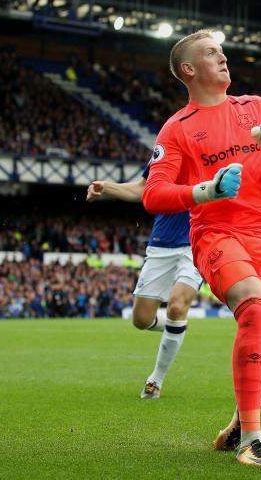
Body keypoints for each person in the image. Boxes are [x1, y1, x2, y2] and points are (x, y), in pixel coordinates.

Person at [142, 29, 261, 468]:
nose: (223, 57)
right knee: (255, 308)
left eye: (222, 51)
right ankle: (253, 439)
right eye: (212, 53)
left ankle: (239, 420)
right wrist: (205, 190)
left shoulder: (255, 107)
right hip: (216, 233)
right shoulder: (177, 128)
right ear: (189, 69)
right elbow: (153, 193)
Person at [86, 171, 197, 400]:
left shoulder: (214, 149)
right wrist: (106, 187)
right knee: (141, 320)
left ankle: (155, 380)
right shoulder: (166, 151)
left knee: (177, 306)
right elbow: (142, 188)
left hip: (197, 241)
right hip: (161, 245)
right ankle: (177, 327)